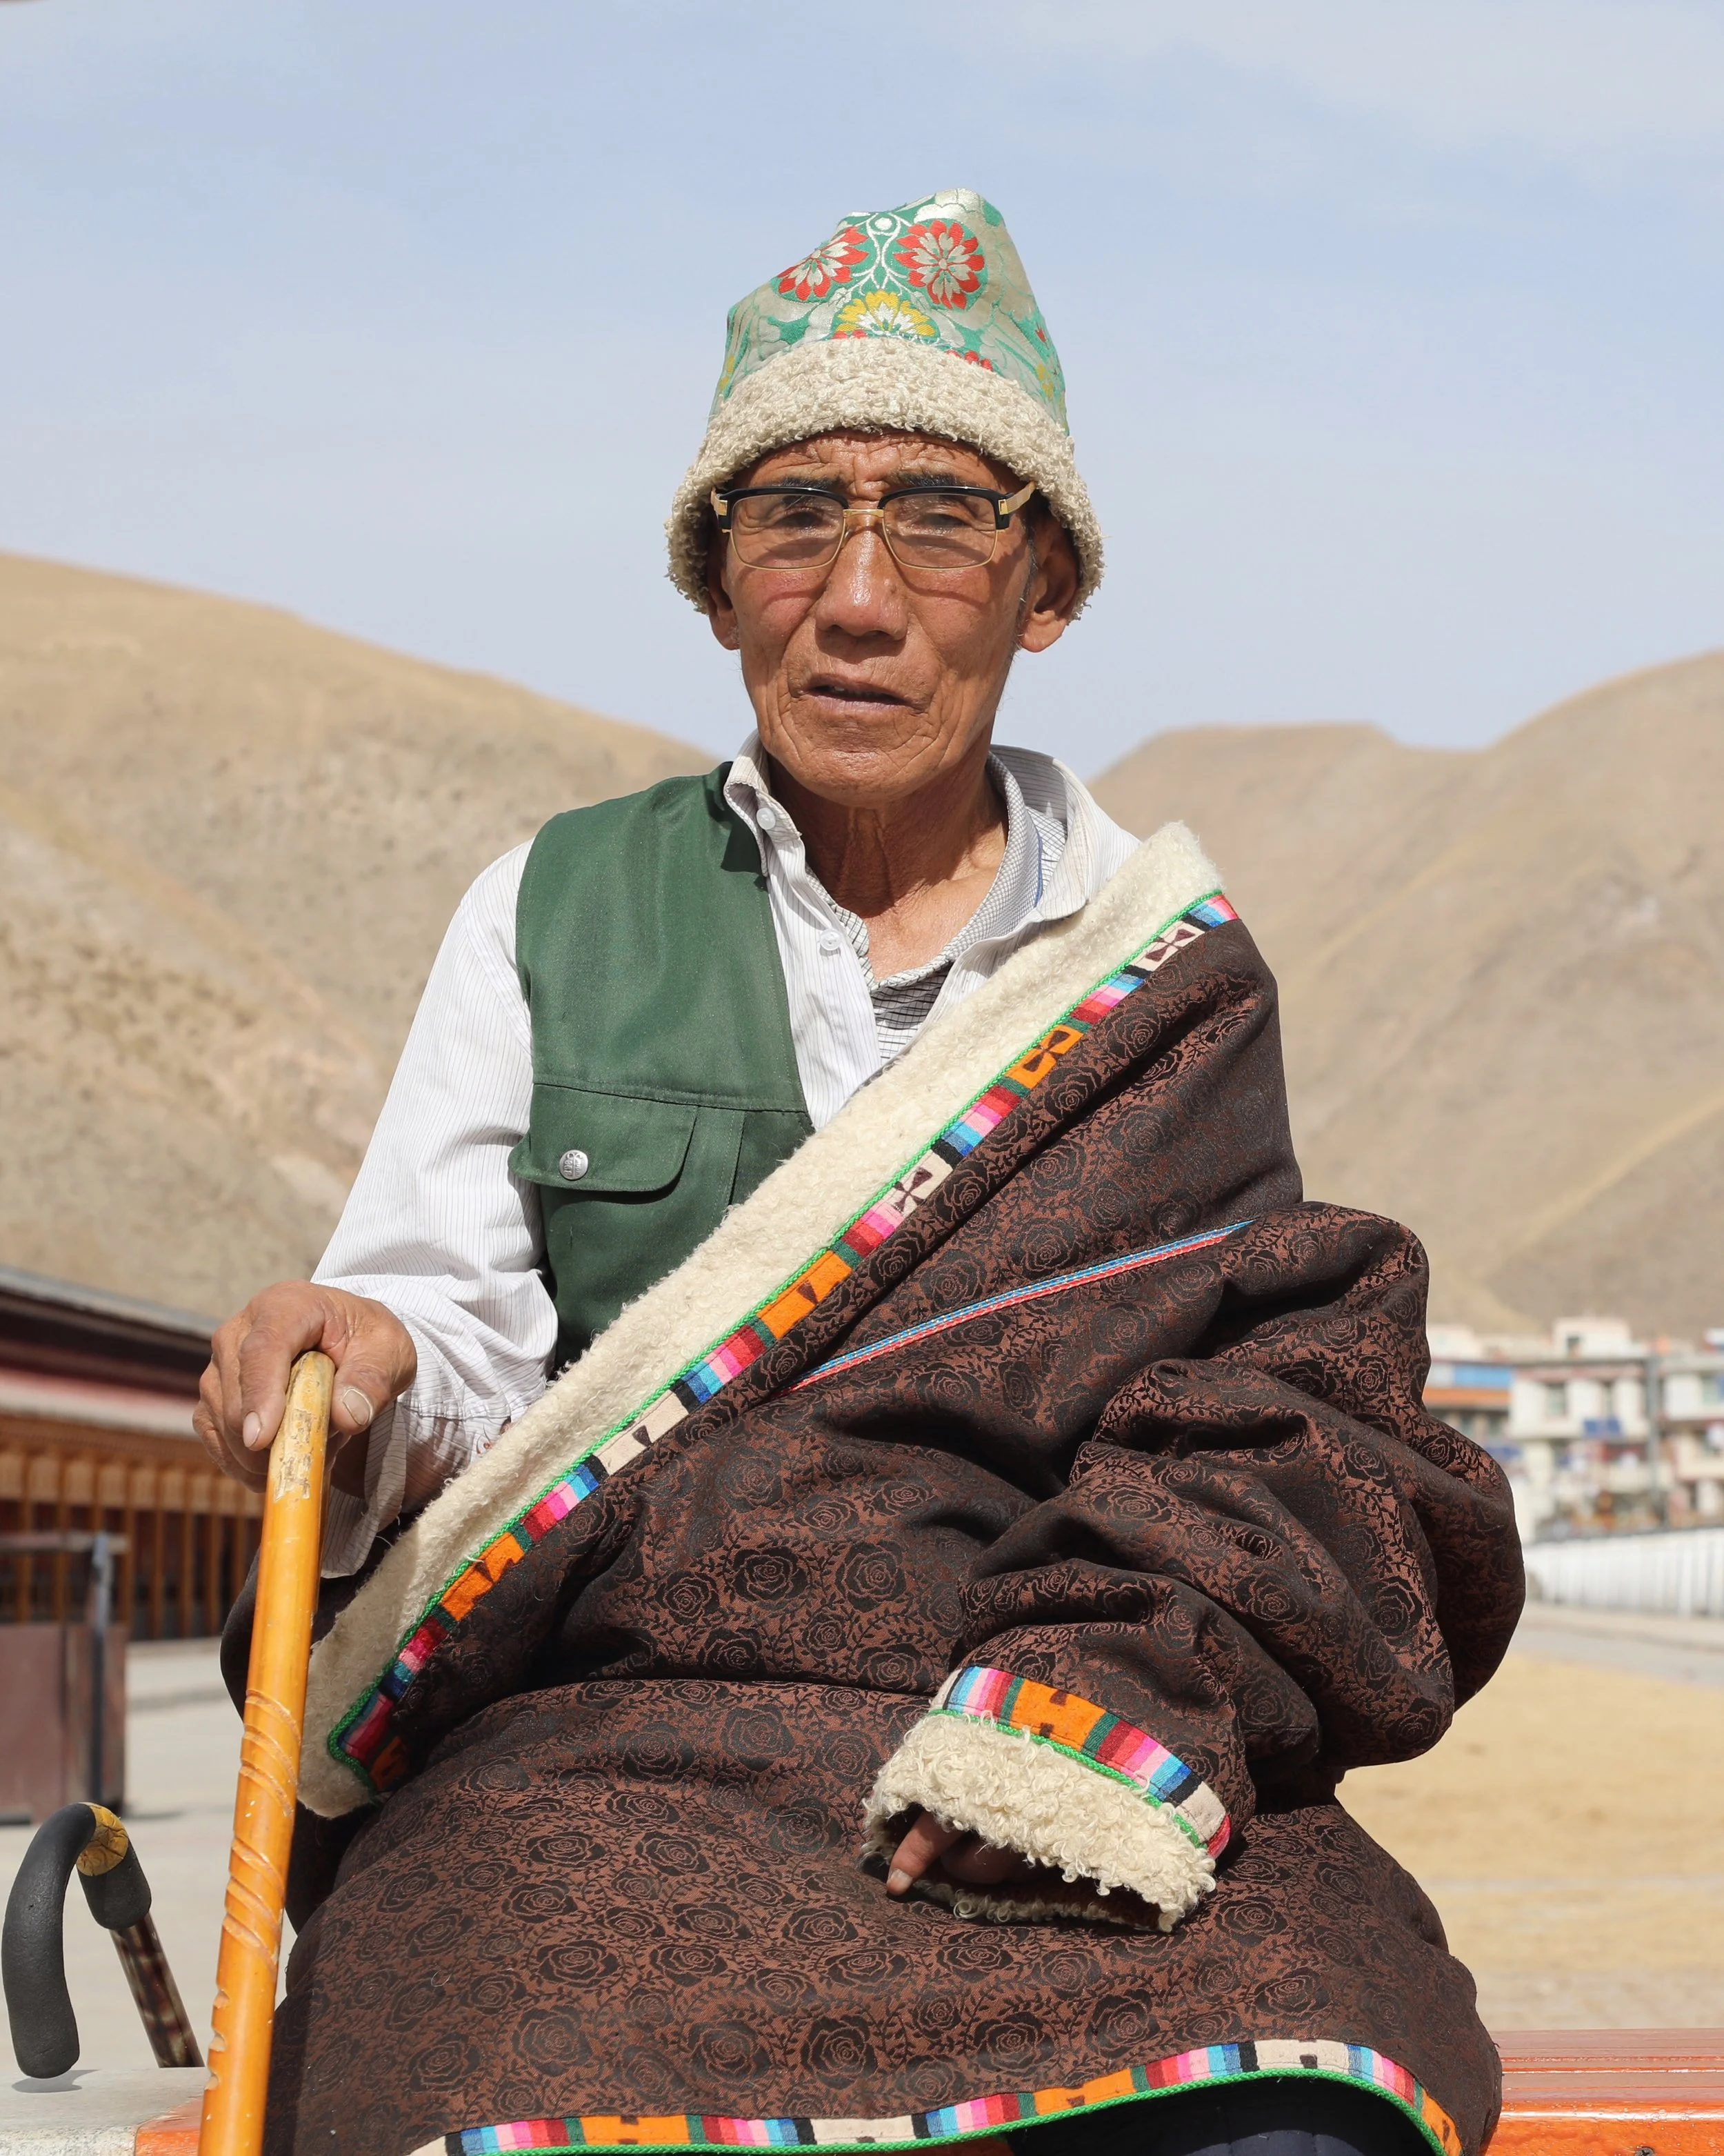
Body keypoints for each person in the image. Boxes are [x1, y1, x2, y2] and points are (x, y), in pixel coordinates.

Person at [198, 191, 1521, 2156]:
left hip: (1016, 1715)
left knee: (1308, 2062)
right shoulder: (554, 910)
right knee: (474, 2064)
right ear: (715, 582)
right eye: (792, 512)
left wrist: (1088, 1713)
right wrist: (369, 1344)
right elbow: (460, 1341)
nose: (860, 593)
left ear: (1044, 582)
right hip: (609, 1745)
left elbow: (1252, 1400)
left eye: (942, 515)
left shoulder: (1161, 977)